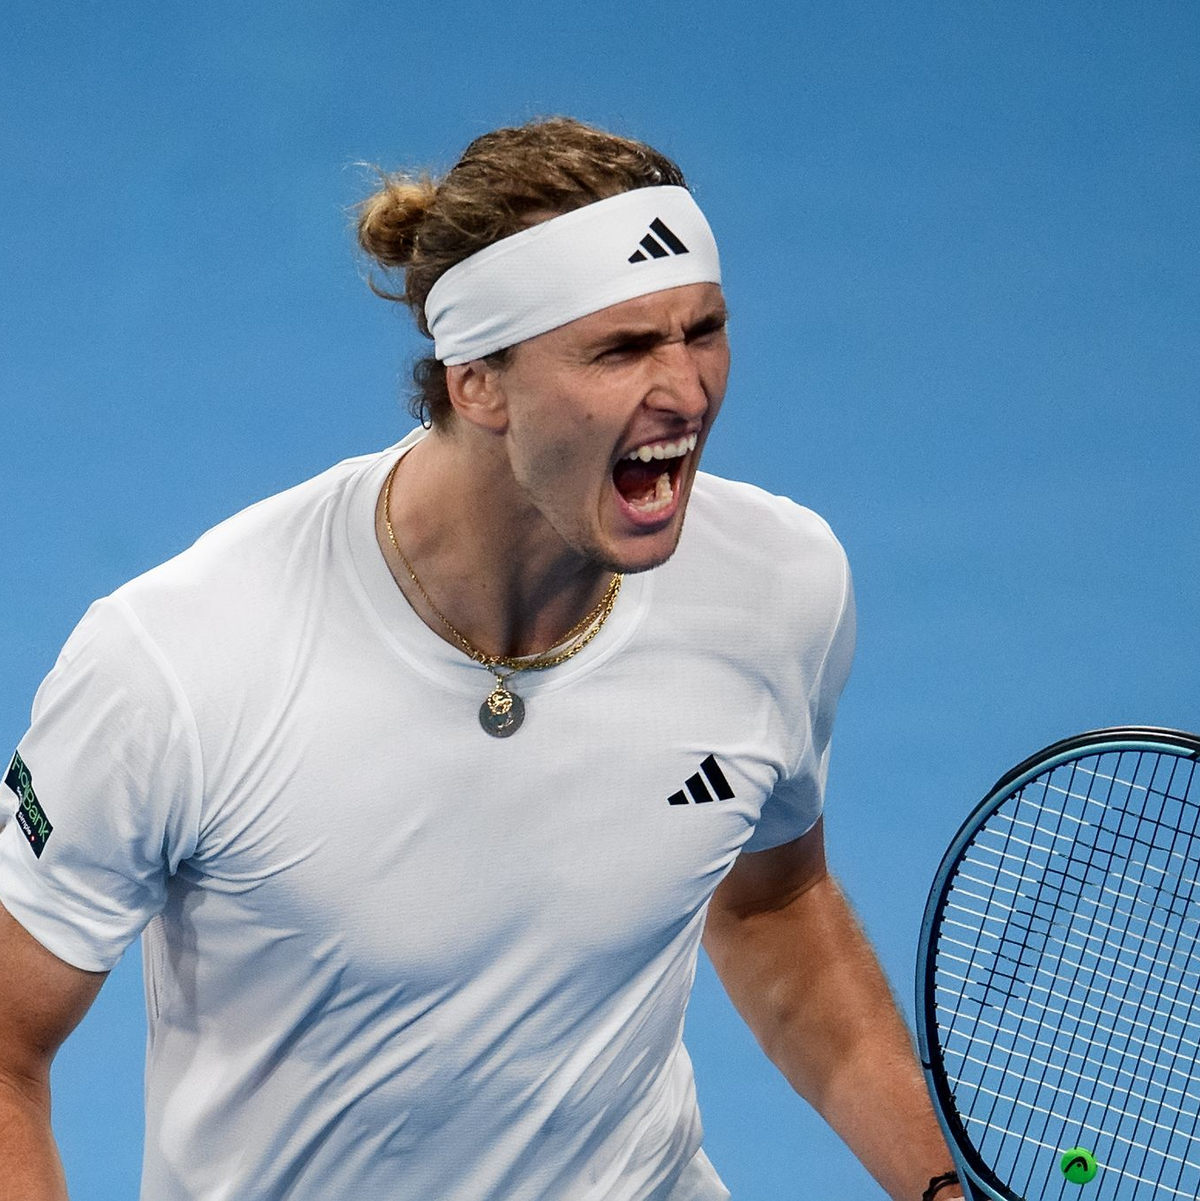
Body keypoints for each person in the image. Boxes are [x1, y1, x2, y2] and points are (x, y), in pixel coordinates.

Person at [0, 117, 963, 1200]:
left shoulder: (778, 586)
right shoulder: (175, 663)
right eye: (623, 348)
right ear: (479, 384)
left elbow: (773, 903)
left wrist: (937, 1186)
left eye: (703, 331)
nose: (688, 392)